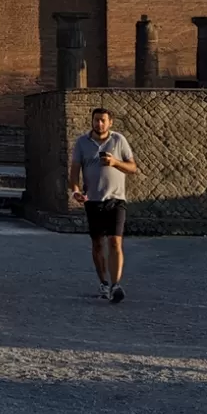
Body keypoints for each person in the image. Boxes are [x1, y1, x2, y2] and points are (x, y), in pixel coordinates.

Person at [68, 106, 137, 302]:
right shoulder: (82, 142)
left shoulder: (118, 140)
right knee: (98, 243)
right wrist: (76, 192)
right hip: (94, 201)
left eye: (103, 120)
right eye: (96, 120)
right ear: (92, 121)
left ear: (110, 122)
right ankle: (103, 283)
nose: (99, 123)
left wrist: (115, 163)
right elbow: (73, 175)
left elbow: (133, 168)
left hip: (116, 199)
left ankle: (116, 285)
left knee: (115, 241)